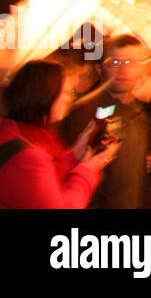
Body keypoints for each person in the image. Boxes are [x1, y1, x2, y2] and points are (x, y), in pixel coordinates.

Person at [61, 35, 151, 209]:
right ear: (99, 69)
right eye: (115, 63)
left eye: (130, 63)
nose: (123, 70)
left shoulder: (142, 115)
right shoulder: (83, 113)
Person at [1, 59, 118, 208]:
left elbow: (45, 177)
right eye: (66, 92)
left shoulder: (18, 131)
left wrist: (76, 153)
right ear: (45, 94)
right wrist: (88, 171)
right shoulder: (27, 158)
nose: (71, 98)